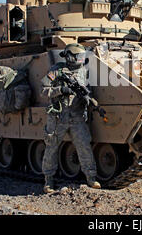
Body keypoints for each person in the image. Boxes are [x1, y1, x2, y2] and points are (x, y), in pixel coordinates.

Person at [41, 43, 101, 193]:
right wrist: (61, 90)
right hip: (58, 116)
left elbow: (89, 91)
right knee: (51, 147)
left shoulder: (84, 72)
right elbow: (43, 90)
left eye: (82, 57)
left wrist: (88, 99)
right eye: (78, 57)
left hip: (77, 116)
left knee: (84, 146)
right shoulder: (57, 71)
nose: (80, 60)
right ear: (69, 57)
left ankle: (91, 178)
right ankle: (48, 181)